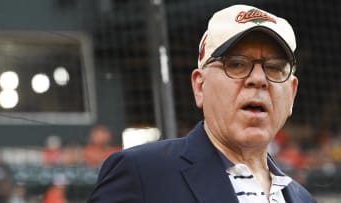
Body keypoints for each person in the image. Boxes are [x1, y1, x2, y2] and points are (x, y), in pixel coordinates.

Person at [87, 4, 316, 203]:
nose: (258, 79)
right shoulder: (142, 175)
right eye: (236, 64)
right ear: (200, 86)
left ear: (292, 94)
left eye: (275, 68)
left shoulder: (303, 198)